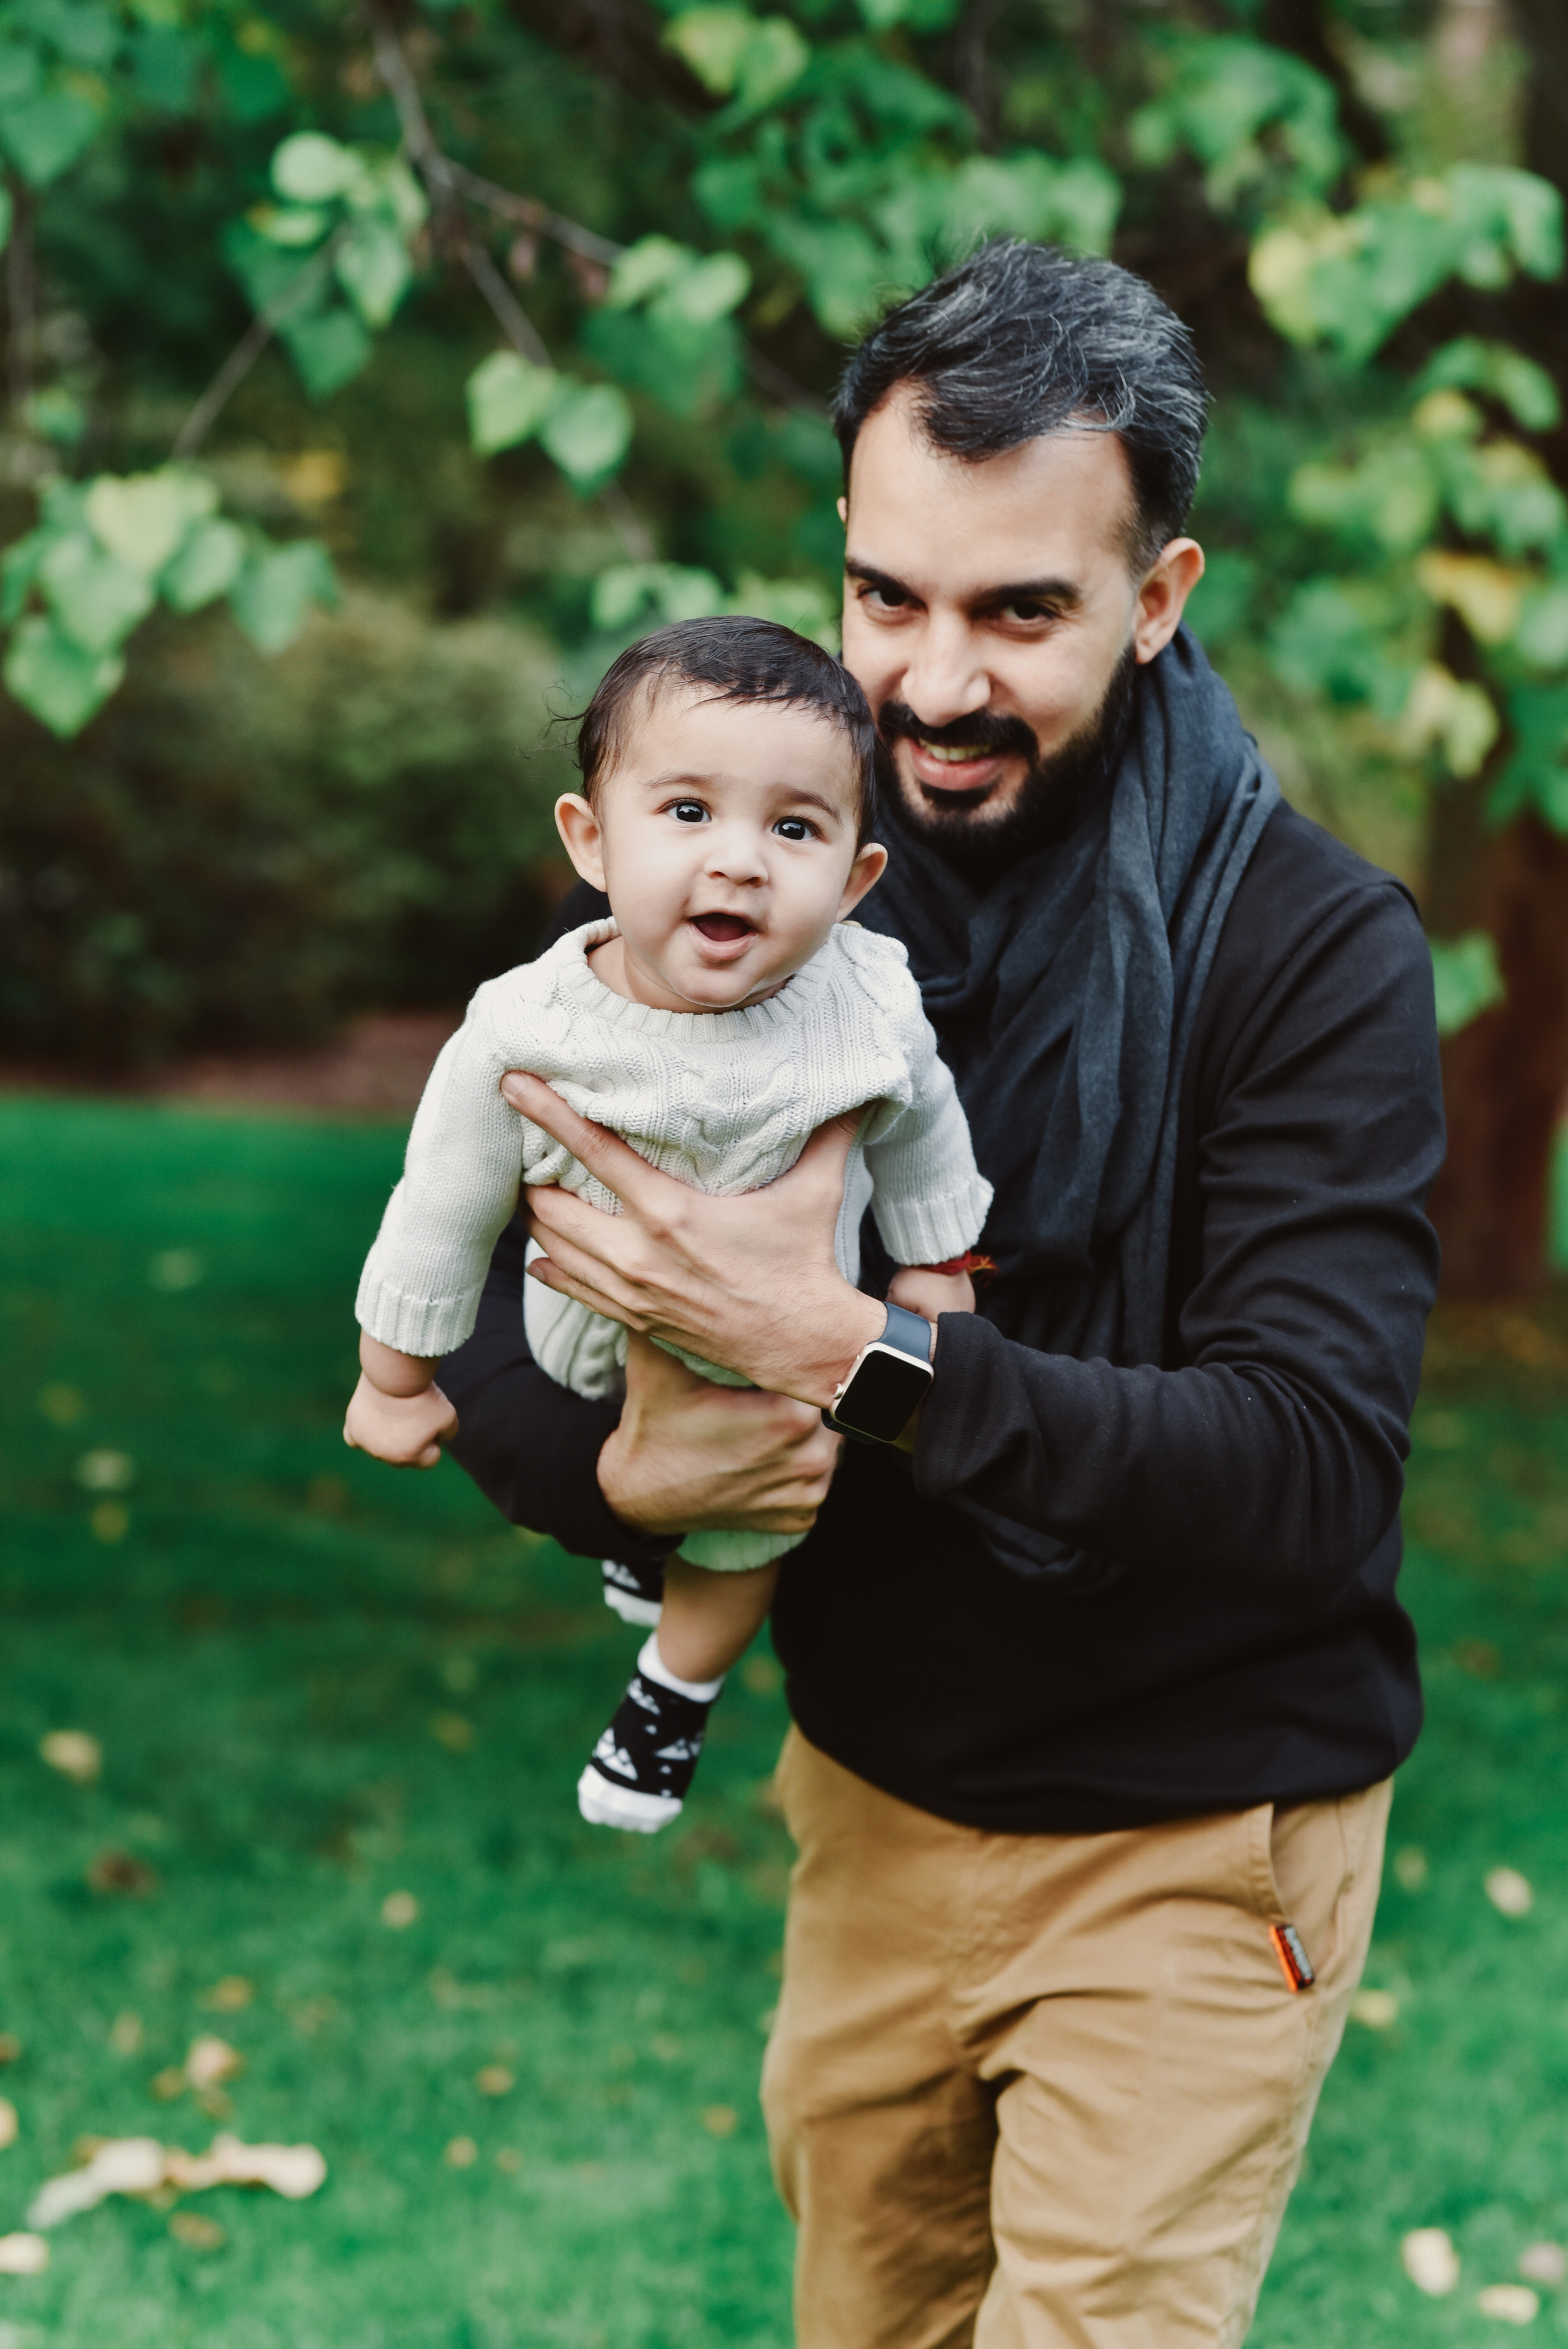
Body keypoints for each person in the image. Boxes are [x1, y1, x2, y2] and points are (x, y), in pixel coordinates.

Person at [430, 240, 1445, 2345]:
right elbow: (483, 1324)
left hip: (1198, 1832)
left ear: (1156, 600)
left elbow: (1312, 1464)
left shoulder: (1314, 951)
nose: (934, 682)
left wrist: (853, 1357)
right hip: (876, 1796)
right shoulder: (734, 859)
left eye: (1020, 612)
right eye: (888, 596)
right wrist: (638, 1452)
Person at [344, 617, 990, 1834]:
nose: (738, 861)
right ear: (590, 841)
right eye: (686, 813)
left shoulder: (866, 1000)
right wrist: (396, 1377)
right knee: (664, 1459)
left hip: (776, 1352)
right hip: (576, 1327)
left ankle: (669, 1697)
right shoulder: (526, 1029)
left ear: (854, 878)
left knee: (753, 1518)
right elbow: (440, 1206)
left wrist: (934, 1257)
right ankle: (638, 1535)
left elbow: (923, 1129)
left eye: (792, 829)